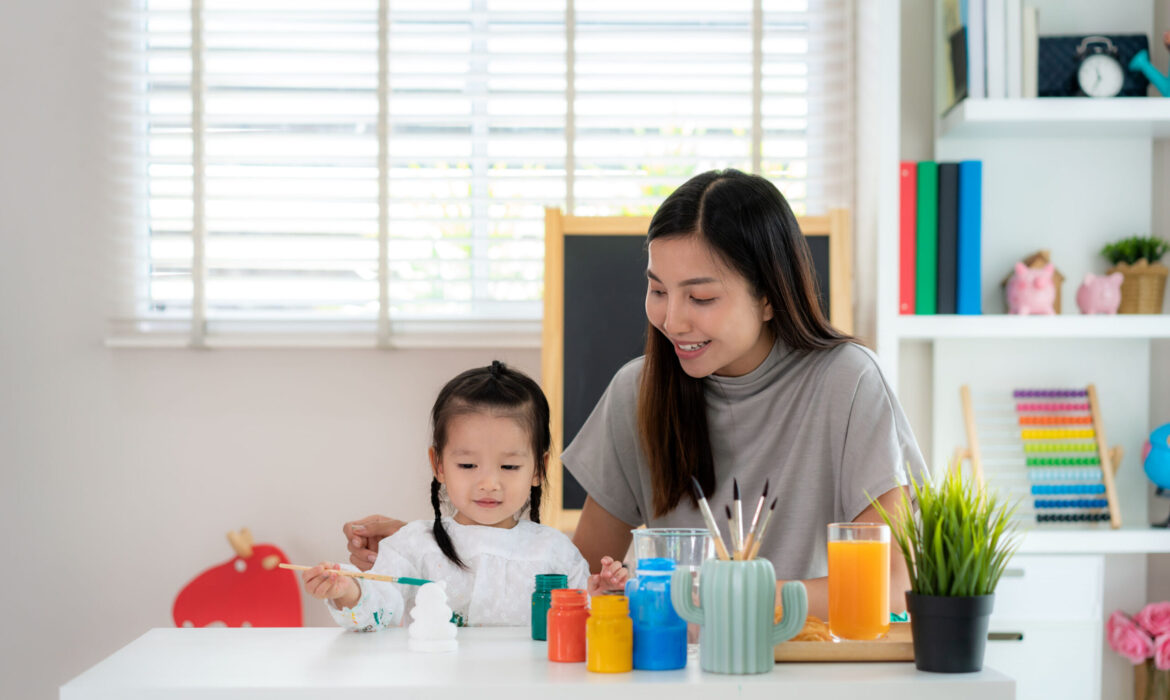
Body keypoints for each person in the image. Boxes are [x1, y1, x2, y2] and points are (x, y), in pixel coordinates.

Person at [342, 170, 927, 619]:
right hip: (669, 672)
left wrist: (709, 596)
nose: (672, 320)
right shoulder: (638, 390)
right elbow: (578, 575)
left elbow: (894, 581)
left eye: (700, 298)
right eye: (657, 290)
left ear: (769, 296)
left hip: (804, 669)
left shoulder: (848, 381)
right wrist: (450, 545)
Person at [304, 361, 627, 631]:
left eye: (509, 466)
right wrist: (348, 591)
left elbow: (580, 624)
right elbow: (380, 607)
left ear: (538, 470)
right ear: (439, 465)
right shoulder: (414, 545)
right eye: (468, 464)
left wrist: (600, 597)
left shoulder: (554, 551)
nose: (488, 483)